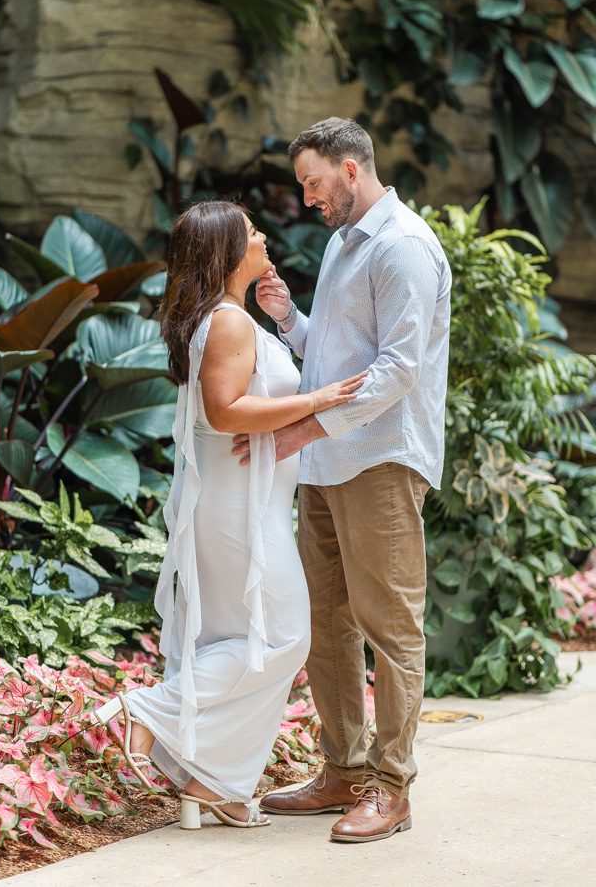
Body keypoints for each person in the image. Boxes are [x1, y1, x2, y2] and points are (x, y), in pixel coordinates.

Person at [93, 200, 365, 831]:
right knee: (282, 637)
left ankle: (213, 784)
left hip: (234, 500)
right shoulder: (228, 324)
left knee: (233, 640)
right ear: (224, 253)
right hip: (242, 508)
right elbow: (226, 412)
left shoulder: (224, 318)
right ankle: (148, 711)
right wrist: (316, 400)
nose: (262, 235)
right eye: (249, 233)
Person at [246, 117, 452, 843]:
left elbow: (399, 370)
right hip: (329, 462)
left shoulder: (402, 248)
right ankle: (343, 771)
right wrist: (290, 321)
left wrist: (298, 430)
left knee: (389, 629)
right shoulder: (344, 243)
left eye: (311, 182)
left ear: (350, 169)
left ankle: (390, 789)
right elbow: (334, 363)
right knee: (325, 624)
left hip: (380, 461)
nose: (306, 199)